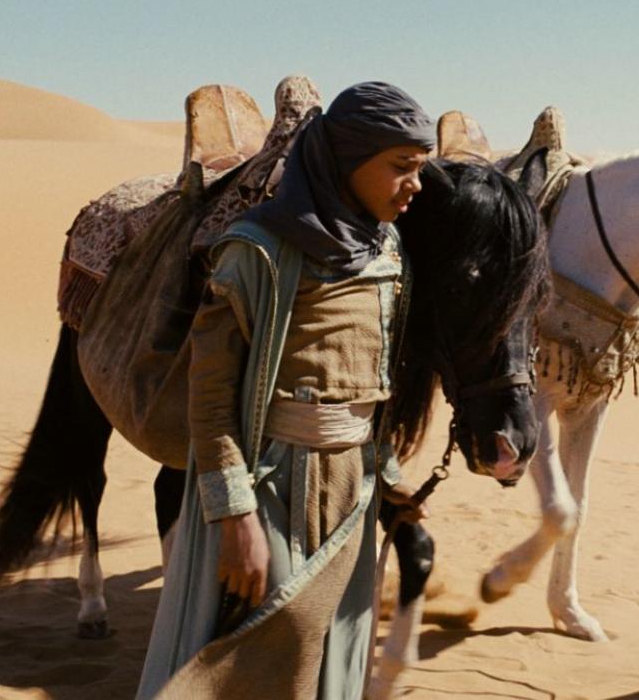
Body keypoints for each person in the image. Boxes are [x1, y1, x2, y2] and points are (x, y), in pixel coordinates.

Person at [137, 82, 435, 699]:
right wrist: (234, 515)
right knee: (266, 652)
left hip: (352, 489)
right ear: (349, 161)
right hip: (270, 488)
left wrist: (388, 468)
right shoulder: (258, 251)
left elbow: (374, 383)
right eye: (401, 168)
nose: (416, 186)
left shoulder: (388, 250)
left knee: (333, 650)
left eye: (421, 169)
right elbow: (211, 396)